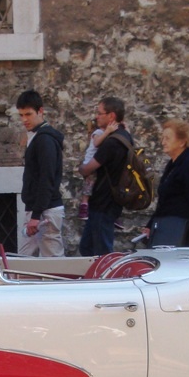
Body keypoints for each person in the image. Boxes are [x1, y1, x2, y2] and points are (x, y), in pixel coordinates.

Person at [79, 96, 134, 257]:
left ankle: (106, 274)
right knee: (87, 248)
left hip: (103, 203)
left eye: (100, 113)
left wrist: (81, 168)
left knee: (102, 253)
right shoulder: (125, 136)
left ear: (111, 116)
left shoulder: (111, 142)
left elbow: (88, 169)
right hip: (109, 202)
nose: (96, 117)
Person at [140, 119, 189, 247]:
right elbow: (165, 201)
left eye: (167, 138)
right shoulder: (173, 163)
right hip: (168, 227)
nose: (163, 142)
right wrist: (150, 225)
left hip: (182, 230)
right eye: (163, 138)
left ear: (182, 142)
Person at [16, 90, 65, 256]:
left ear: (40, 111)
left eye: (28, 114)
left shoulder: (44, 140)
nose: (24, 119)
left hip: (45, 211)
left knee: (53, 263)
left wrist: (36, 216)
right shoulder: (38, 137)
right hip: (38, 210)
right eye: (21, 115)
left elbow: (46, 178)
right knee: (22, 259)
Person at [77, 119, 106, 221]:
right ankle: (84, 205)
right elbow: (97, 143)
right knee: (89, 183)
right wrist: (108, 131)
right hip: (90, 163)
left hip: (96, 163)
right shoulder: (98, 132)